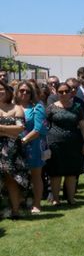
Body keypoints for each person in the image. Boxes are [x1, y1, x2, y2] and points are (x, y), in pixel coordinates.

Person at [46, 82, 84, 206]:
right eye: (61, 91)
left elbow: (83, 126)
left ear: (70, 92)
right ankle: (56, 199)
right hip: (54, 144)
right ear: (57, 93)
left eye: (66, 91)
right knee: (55, 173)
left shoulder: (77, 107)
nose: (64, 93)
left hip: (74, 144)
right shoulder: (51, 107)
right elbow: (44, 125)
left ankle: (71, 198)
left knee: (71, 173)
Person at [15, 81, 47, 214]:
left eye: (27, 91)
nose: (24, 93)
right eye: (21, 90)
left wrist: (24, 140)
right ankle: (19, 203)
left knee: (35, 175)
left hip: (33, 145)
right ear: (16, 92)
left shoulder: (37, 107)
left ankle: (37, 204)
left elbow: (38, 129)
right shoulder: (12, 106)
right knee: (16, 176)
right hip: (13, 146)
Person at [0, 81, 29, 217]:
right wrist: (9, 131)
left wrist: (1, 129)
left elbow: (20, 129)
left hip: (12, 151)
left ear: (7, 91)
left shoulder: (17, 108)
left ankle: (16, 211)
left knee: (12, 179)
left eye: (2, 89)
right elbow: (15, 129)